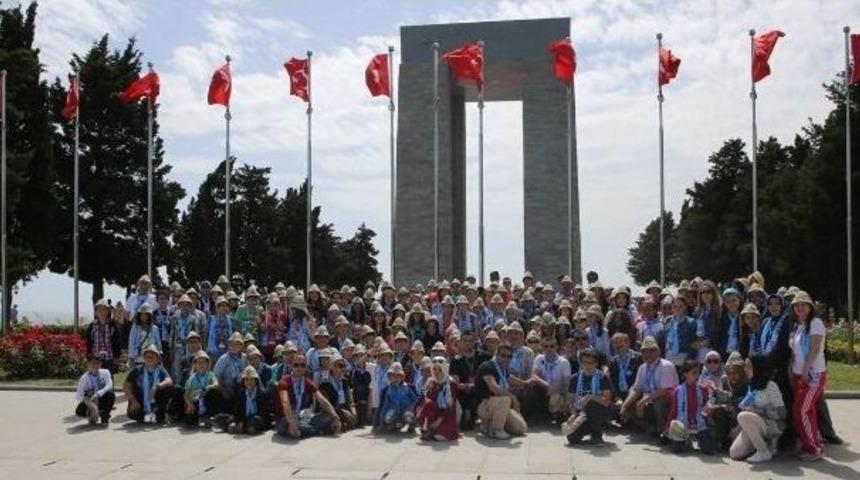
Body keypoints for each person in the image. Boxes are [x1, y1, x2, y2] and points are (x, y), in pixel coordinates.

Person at [788, 290, 827, 461]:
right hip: (799, 376)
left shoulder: (816, 323)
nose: (800, 307)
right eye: (796, 305)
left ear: (810, 307)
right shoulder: (798, 326)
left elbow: (815, 349)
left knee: (802, 410)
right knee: (806, 411)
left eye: (803, 304)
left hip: (812, 375)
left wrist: (805, 369)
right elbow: (795, 352)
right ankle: (813, 442)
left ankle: (813, 449)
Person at [729, 355, 786, 463]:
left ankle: (763, 451)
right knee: (734, 453)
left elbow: (781, 413)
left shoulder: (771, 386)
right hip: (752, 424)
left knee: (743, 416)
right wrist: (738, 427)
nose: (745, 369)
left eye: (748, 366)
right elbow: (746, 408)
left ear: (757, 367)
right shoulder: (752, 385)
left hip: (771, 425)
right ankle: (761, 445)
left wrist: (758, 411)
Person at [619, 336, 679, 438]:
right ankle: (650, 427)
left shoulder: (666, 365)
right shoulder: (642, 367)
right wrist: (624, 406)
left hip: (668, 403)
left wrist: (644, 400)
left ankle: (662, 431)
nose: (647, 354)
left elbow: (666, 391)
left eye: (651, 351)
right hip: (649, 401)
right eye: (644, 351)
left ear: (657, 352)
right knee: (629, 401)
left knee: (659, 401)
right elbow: (637, 389)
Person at [274, 353, 342, 438]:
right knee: (290, 425)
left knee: (329, 416)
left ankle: (306, 430)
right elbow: (285, 402)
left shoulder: (307, 382)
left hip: (301, 418)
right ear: (291, 366)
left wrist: (335, 417)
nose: (299, 368)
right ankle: (317, 431)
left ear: (306, 367)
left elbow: (322, 400)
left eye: (302, 365)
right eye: (296, 365)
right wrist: (291, 422)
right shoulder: (284, 381)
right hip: (285, 419)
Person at [474, 342, 528, 440]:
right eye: (503, 355)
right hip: (484, 405)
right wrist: (513, 397)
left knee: (521, 428)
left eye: (509, 356)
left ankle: (489, 425)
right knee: (505, 399)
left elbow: (510, 378)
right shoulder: (488, 366)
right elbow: (494, 388)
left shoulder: (503, 369)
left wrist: (526, 383)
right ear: (496, 354)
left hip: (500, 407)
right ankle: (496, 430)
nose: (506, 359)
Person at [562, 348, 612, 445]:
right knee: (572, 438)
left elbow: (607, 401)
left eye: (591, 363)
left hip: (600, 410)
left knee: (591, 404)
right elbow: (571, 400)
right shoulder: (574, 378)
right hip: (582, 414)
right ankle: (590, 429)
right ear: (580, 363)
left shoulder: (602, 377)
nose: (588, 365)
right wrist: (573, 415)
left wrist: (591, 397)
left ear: (596, 363)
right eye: (585, 362)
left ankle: (597, 436)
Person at [665, 361, 714, 454]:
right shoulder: (678, 390)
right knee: (677, 450)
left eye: (698, 373)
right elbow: (673, 410)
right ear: (685, 374)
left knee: (709, 450)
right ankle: (685, 440)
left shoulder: (703, 389)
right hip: (682, 423)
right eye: (694, 373)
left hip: (699, 423)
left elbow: (707, 406)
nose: (697, 376)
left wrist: (710, 416)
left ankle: (700, 439)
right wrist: (668, 426)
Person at [523, 335, 571, 424]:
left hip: (557, 394)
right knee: (531, 387)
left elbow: (567, 384)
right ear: (542, 347)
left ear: (557, 347)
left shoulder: (564, 362)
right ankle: (535, 417)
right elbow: (534, 376)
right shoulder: (539, 358)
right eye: (546, 346)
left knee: (559, 417)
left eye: (552, 346)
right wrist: (546, 385)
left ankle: (556, 414)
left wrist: (567, 401)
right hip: (544, 391)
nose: (549, 349)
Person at [449, 329, 490, 429]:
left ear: (475, 342)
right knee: (466, 426)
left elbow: (490, 377)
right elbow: (455, 380)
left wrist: (476, 384)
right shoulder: (455, 360)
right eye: (465, 340)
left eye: (470, 341)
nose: (467, 343)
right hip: (464, 393)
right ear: (460, 342)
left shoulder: (484, 357)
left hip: (481, 392)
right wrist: (463, 385)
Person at [123, 345, 175, 424]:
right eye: (147, 357)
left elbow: (169, 380)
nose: (150, 359)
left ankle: (159, 414)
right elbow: (126, 386)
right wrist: (132, 399)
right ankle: (141, 413)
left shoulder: (160, 369)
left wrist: (157, 386)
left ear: (157, 359)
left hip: (156, 398)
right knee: (133, 414)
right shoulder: (137, 370)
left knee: (168, 388)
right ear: (144, 358)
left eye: (152, 357)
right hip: (140, 399)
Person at [417, 356, 460, 441]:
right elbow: (427, 402)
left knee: (439, 437)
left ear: (444, 370)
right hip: (433, 413)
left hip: (447, 415)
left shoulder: (452, 384)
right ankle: (427, 428)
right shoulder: (430, 382)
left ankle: (432, 432)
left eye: (439, 370)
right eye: (434, 369)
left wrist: (439, 420)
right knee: (427, 404)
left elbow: (450, 407)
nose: (436, 372)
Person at [219, 365, 271, 434]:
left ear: (256, 380)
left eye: (251, 379)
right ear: (243, 381)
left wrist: (243, 422)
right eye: (247, 379)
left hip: (257, 419)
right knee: (220, 417)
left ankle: (243, 428)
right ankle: (241, 428)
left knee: (254, 421)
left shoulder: (262, 393)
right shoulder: (241, 393)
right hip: (244, 419)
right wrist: (235, 422)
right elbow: (237, 411)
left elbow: (263, 413)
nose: (249, 382)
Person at [374, 361, 420, 433]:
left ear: (402, 377)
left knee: (409, 416)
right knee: (387, 417)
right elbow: (384, 406)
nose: (395, 378)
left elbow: (416, 400)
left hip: (406, 411)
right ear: (389, 377)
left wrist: (412, 408)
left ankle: (412, 426)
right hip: (394, 411)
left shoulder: (407, 387)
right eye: (393, 375)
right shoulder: (388, 390)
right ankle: (393, 425)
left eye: (398, 375)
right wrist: (381, 423)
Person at [319, 354, 358, 432]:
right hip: (332, 412)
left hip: (344, 409)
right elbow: (326, 406)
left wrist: (353, 412)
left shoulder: (345, 381)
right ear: (332, 367)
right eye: (340, 366)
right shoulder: (325, 384)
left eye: (344, 366)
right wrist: (342, 412)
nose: (343, 368)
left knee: (359, 409)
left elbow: (350, 400)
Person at [213, 332, 248, 418]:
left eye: (237, 344)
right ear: (228, 345)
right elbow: (216, 376)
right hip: (227, 388)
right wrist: (223, 390)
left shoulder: (245, 358)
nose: (234, 346)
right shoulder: (224, 359)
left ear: (241, 346)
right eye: (232, 344)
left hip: (241, 387)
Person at [182, 351, 220, 428]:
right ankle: (196, 417)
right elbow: (185, 394)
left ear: (207, 364)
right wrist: (189, 404)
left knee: (213, 392)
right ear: (195, 364)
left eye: (203, 362)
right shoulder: (191, 378)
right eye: (199, 362)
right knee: (190, 423)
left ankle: (207, 417)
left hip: (205, 400)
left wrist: (210, 386)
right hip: (194, 402)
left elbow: (216, 383)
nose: (201, 364)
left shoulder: (210, 374)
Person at [74, 355, 115, 426]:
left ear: (100, 364)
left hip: (102, 398)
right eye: (92, 363)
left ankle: (104, 417)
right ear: (88, 364)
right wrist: (89, 403)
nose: (95, 365)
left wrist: (99, 393)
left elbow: (109, 384)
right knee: (79, 411)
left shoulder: (105, 372)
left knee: (111, 395)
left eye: (97, 363)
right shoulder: (84, 378)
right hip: (90, 400)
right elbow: (78, 395)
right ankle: (92, 415)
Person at [607, 332, 642, 412]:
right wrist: (617, 398)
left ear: (627, 342)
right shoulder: (612, 362)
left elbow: (640, 382)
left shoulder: (638, 358)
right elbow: (613, 383)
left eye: (620, 342)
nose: (618, 345)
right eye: (615, 343)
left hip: (635, 395)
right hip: (619, 396)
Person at [85, 298, 121, 373]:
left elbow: (117, 341)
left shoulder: (113, 325)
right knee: (96, 380)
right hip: (96, 358)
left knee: (109, 380)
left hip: (109, 357)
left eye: (104, 309)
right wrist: (89, 356)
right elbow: (88, 341)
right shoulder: (92, 326)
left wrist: (117, 355)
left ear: (108, 311)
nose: (102, 312)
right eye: (99, 310)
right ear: (96, 312)